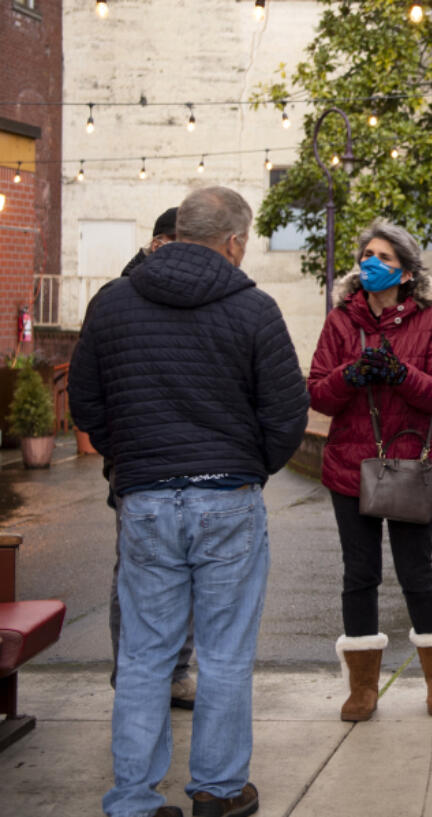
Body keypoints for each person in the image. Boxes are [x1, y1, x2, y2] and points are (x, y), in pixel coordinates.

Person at [70, 186, 309, 817]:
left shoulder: (114, 303)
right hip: (226, 498)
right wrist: (248, 469)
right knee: (226, 655)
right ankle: (219, 791)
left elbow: (87, 404)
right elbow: (286, 413)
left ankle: (132, 799)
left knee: (146, 656)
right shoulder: (254, 308)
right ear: (234, 242)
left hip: (145, 499)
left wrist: (131, 463)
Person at [308, 218, 432, 721]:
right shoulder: (340, 322)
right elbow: (318, 395)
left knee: (416, 571)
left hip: (412, 465)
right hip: (351, 468)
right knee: (360, 574)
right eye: (366, 255)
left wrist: (400, 374)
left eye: (384, 258)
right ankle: (362, 686)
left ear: (405, 273)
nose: (371, 263)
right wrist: (350, 375)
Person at [104, 206, 196, 710]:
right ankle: (134, 679)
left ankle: (176, 673)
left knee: (186, 572)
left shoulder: (196, 295)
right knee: (136, 576)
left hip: (187, 460)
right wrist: (118, 450)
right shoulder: (118, 298)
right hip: (138, 465)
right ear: (162, 243)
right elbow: (89, 393)